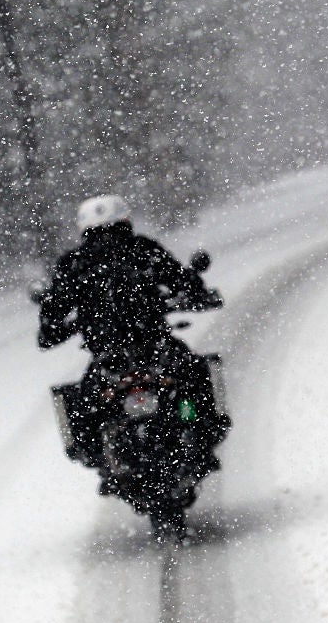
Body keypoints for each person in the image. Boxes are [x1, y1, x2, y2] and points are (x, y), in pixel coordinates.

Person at [37, 194, 229, 482]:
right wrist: (195, 292)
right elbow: (182, 281)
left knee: (87, 407)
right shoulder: (143, 249)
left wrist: (60, 325)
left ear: (83, 226)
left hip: (109, 358)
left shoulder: (73, 264)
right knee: (193, 379)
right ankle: (194, 431)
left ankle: (107, 455)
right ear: (124, 218)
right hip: (155, 348)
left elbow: (51, 322)